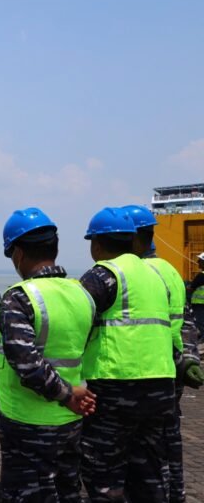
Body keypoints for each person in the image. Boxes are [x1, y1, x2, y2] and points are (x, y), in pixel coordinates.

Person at [0, 207, 96, 502]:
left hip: (27, 423)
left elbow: (28, 364)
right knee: (67, 492)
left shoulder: (19, 297)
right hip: (70, 421)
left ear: (18, 253)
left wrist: (66, 394)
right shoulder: (83, 294)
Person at [78, 207, 177, 502]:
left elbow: (73, 320)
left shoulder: (103, 275)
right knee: (149, 471)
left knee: (103, 473)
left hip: (115, 387)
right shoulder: (155, 276)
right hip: (161, 386)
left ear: (97, 244)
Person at [123, 204, 203, 503]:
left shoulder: (136, 274)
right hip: (172, 369)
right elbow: (186, 322)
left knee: (139, 452)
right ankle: (174, 493)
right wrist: (189, 359)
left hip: (142, 372)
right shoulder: (170, 271)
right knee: (168, 442)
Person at [189, 252, 204, 338]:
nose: (198, 262)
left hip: (199, 304)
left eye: (200, 260)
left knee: (200, 323)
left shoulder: (201, 276)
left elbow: (191, 288)